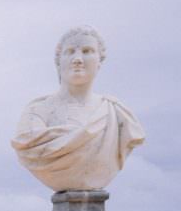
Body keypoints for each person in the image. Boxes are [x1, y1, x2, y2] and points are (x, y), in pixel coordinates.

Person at [11, 25, 144, 192]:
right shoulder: (36, 112)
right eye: (70, 52)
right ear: (58, 62)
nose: (78, 59)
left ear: (99, 61)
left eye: (87, 51)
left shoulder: (116, 114)